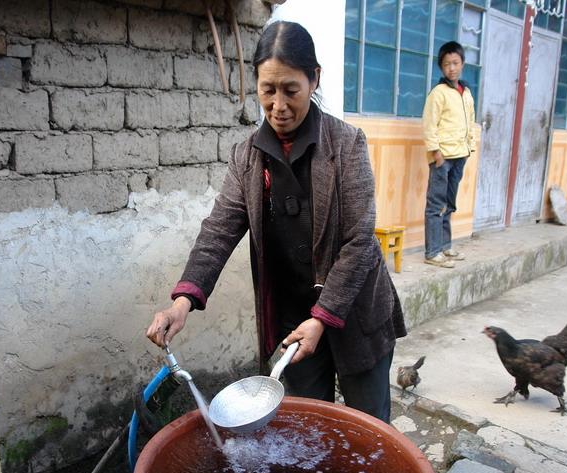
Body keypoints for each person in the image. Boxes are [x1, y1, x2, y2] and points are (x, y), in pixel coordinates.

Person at [146, 21, 405, 423]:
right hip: (292, 319)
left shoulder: (347, 144)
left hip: (354, 311)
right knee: (304, 427)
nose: (278, 106)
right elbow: (219, 230)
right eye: (268, 91)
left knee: (367, 429)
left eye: (290, 90)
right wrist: (183, 302)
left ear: (314, 78)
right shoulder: (247, 156)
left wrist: (322, 317)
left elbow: (359, 241)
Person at [422, 41, 476, 268]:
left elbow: (470, 121)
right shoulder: (439, 93)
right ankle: (432, 252)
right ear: (441, 67)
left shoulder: (466, 93)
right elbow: (429, 124)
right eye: (446, 64)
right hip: (442, 157)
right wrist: (436, 152)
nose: (451, 68)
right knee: (436, 204)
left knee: (450, 204)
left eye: (455, 63)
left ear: (462, 64)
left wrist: (469, 148)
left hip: (460, 155)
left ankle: (445, 246)